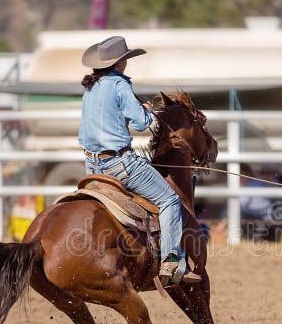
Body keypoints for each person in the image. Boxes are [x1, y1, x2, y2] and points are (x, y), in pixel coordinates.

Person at [78, 36, 200, 285]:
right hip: (119, 164)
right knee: (168, 200)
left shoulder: (91, 87)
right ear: (121, 62)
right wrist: (143, 109)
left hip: (92, 166)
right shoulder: (120, 85)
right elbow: (143, 124)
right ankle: (171, 259)